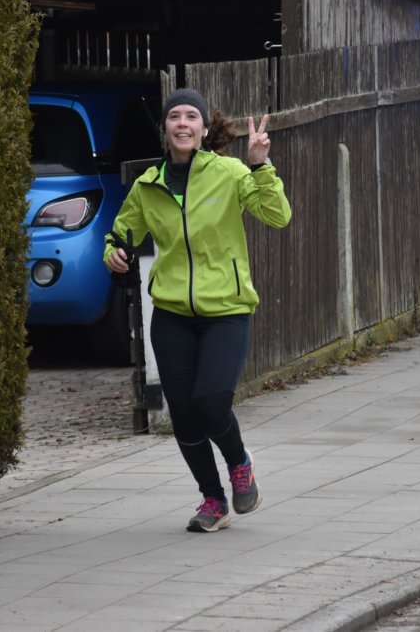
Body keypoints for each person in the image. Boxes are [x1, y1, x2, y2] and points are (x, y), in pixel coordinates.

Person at [103, 88, 292, 532]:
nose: (183, 123)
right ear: (165, 129)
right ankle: (213, 499)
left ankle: (239, 463)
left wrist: (260, 165)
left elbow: (277, 215)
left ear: (205, 129)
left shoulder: (229, 173)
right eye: (175, 116)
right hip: (171, 314)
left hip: (226, 309)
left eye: (192, 116)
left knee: (210, 404)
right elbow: (120, 235)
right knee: (184, 416)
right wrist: (114, 254)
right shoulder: (147, 186)